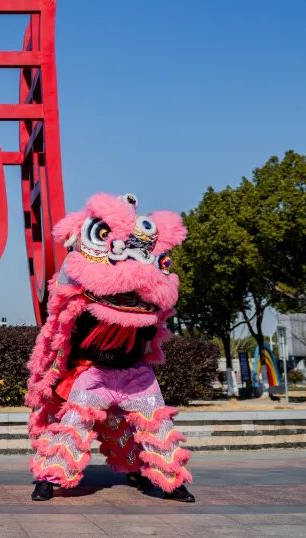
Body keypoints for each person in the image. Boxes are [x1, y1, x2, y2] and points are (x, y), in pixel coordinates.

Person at [26, 192, 195, 502]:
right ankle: (48, 479)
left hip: (137, 375)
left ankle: (170, 481)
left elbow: (155, 319)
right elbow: (61, 333)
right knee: (73, 425)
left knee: (157, 426)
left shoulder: (149, 300)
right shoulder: (80, 301)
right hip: (95, 374)